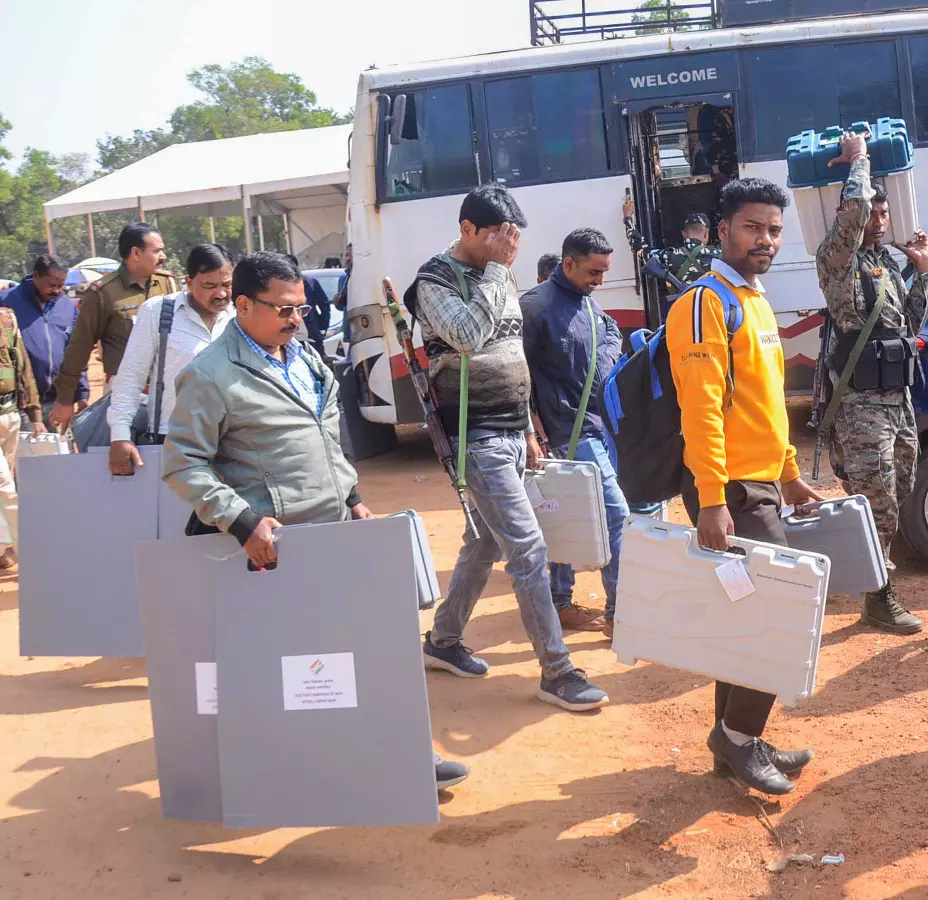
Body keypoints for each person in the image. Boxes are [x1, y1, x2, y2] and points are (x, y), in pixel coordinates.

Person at [161, 251, 468, 792]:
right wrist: (241, 522)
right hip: (274, 552)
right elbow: (182, 464)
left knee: (368, 647)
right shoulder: (210, 375)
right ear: (243, 305)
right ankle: (277, 775)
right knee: (287, 670)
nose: (296, 319)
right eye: (283, 309)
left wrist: (352, 497)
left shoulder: (303, 357)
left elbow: (327, 438)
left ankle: (402, 755)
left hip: (333, 535)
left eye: (300, 309)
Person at [409, 184, 609, 712]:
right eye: (499, 236)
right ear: (467, 229)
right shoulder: (434, 280)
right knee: (528, 548)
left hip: (510, 434)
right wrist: (499, 271)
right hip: (474, 438)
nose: (509, 246)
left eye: (513, 237)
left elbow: (512, 352)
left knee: (485, 544)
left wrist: (526, 428)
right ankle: (557, 671)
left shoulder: (497, 273)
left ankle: (443, 640)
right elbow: (467, 337)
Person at [667, 176, 824, 795]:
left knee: (744, 613)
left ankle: (733, 742)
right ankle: (737, 737)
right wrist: (711, 500)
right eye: (753, 227)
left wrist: (789, 473)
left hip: (759, 484)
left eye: (775, 230)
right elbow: (701, 409)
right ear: (723, 229)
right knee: (779, 612)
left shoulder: (753, 300)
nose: (766, 239)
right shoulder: (704, 303)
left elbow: (766, 403)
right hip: (729, 489)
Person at [815, 129, 928, 635]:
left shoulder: (885, 263)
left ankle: (872, 582)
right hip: (860, 403)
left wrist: (922, 273)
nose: (878, 220)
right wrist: (859, 159)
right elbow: (855, 209)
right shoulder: (837, 259)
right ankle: (879, 597)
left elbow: (909, 326)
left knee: (899, 487)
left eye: (885, 214)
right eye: (872, 214)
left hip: (896, 399)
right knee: (876, 499)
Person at [520, 228, 626, 634]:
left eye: (603, 272)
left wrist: (605, 359)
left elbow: (612, 331)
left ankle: (561, 602)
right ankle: (619, 613)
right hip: (563, 433)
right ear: (568, 264)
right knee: (615, 514)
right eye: (593, 272)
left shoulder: (587, 301)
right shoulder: (535, 308)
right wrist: (530, 431)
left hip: (596, 427)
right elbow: (516, 377)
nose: (600, 281)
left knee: (564, 514)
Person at [106, 244, 235, 475]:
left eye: (226, 285)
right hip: (174, 441)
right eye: (209, 286)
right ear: (189, 282)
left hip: (231, 443)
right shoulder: (158, 312)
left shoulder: (239, 316)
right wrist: (120, 436)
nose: (221, 294)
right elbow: (130, 377)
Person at [51, 222, 177, 432]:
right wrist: (65, 399)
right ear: (136, 253)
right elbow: (80, 347)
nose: (163, 256)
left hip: (168, 392)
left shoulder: (168, 284)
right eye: (157, 251)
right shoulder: (103, 293)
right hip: (126, 395)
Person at [2, 254, 88, 422]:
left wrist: (81, 393)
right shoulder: (6, 302)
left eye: (60, 286)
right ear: (35, 275)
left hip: (57, 403)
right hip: (20, 404)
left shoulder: (68, 307)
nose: (56, 290)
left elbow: (76, 353)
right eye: (51, 285)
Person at [0, 301, 45, 570]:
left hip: (10, 416)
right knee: (6, 488)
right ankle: (29, 552)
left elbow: (23, 368)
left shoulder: (7, 320)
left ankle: (3, 547)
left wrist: (35, 415)